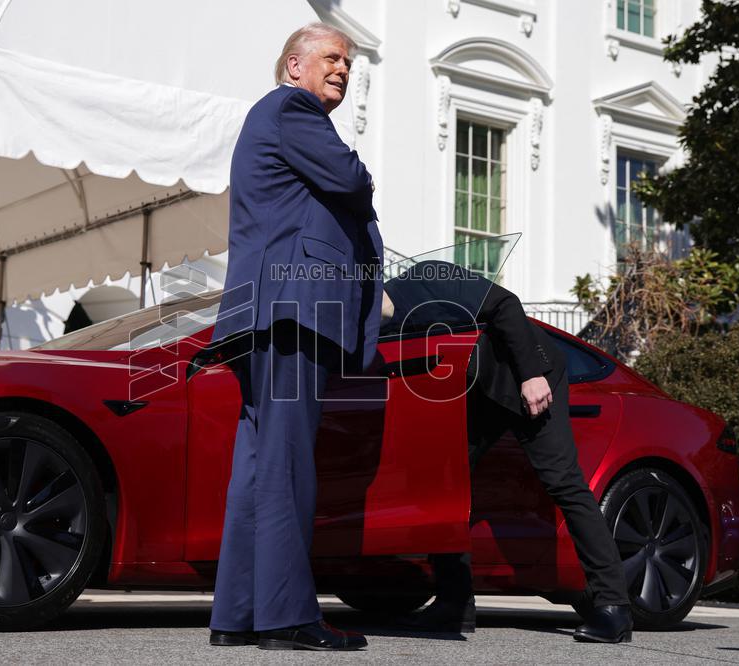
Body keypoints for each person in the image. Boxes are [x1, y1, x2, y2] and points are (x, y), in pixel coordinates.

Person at [207, 23, 382, 651]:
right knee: (285, 468)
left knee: (260, 467)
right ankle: (285, 618)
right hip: (293, 310)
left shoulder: (278, 116)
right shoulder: (293, 110)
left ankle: (238, 615)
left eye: (348, 62)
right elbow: (352, 180)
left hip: (271, 313)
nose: (343, 69)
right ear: (293, 67)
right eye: (331, 57)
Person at [381, 260, 633, 644]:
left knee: (563, 482)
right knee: (442, 485)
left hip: (526, 373)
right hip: (478, 392)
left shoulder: (426, 277)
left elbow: (505, 304)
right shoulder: (377, 329)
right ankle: (453, 604)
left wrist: (531, 374)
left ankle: (614, 607)